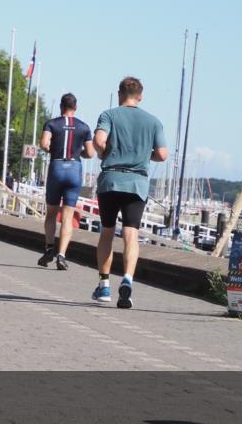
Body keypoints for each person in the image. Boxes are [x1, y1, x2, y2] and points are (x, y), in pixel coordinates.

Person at [92, 77, 168, 308]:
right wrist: (146, 156)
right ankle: (127, 279)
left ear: (119, 94)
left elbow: (98, 140)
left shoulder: (109, 115)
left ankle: (104, 286)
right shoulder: (153, 122)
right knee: (131, 234)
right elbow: (163, 154)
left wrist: (105, 152)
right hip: (137, 184)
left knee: (107, 232)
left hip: (111, 180)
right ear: (141, 96)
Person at [37, 93, 96, 271]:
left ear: (61, 107)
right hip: (74, 170)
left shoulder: (52, 124)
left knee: (51, 214)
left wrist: (53, 149)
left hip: (57, 167)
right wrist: (79, 153)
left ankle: (49, 248)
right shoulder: (84, 127)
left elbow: (44, 143)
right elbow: (91, 153)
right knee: (68, 216)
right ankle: (62, 255)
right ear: (75, 108)